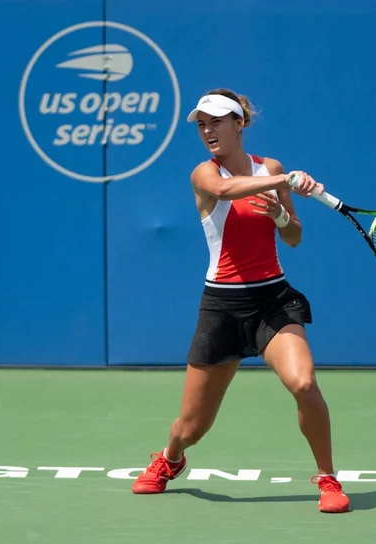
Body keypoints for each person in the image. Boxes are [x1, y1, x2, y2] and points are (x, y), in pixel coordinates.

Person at [131, 89, 350, 513]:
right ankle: (171, 457)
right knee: (192, 427)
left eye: (216, 121)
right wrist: (285, 182)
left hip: (273, 300)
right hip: (222, 307)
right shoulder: (204, 175)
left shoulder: (270, 168)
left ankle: (327, 478)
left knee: (304, 384)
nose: (208, 130)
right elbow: (228, 190)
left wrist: (281, 214)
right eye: (201, 124)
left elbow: (294, 237)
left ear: (240, 124)